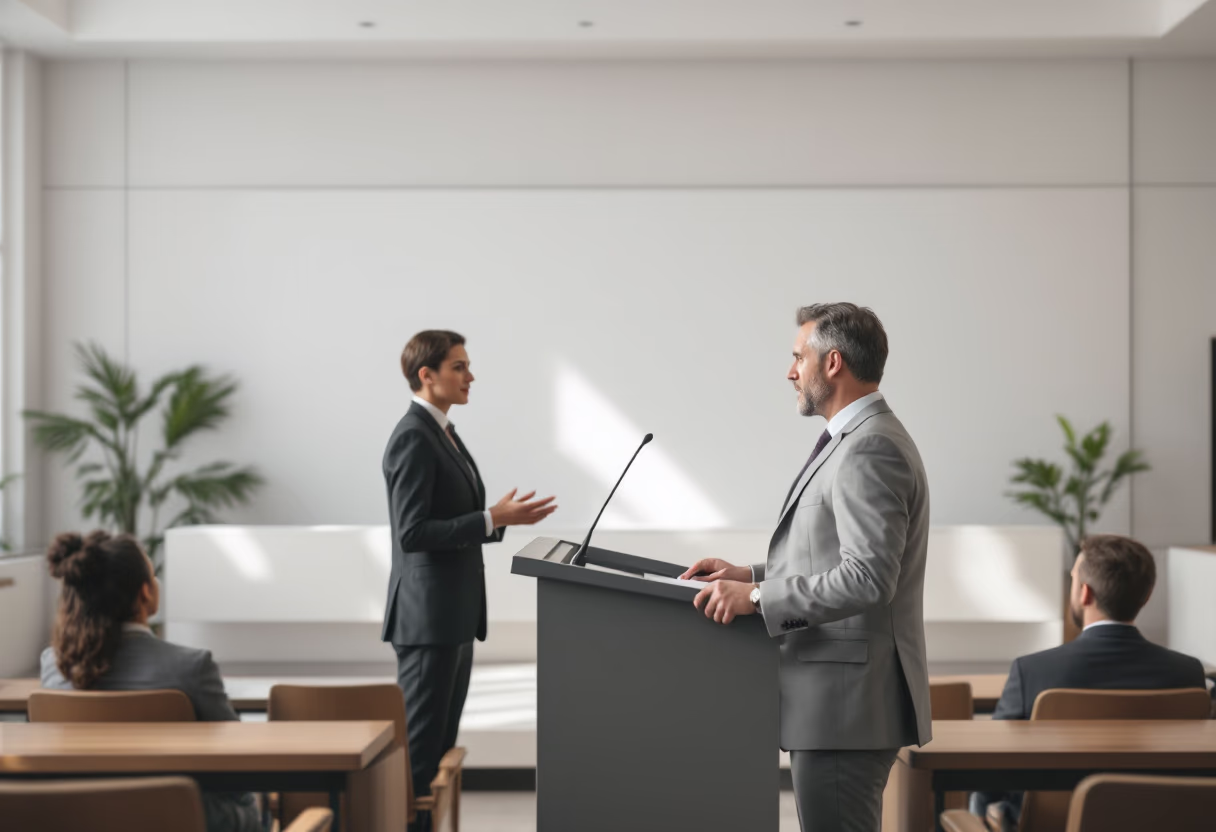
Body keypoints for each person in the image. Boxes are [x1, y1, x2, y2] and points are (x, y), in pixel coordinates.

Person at [681, 303, 931, 832]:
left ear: (833, 363)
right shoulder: (858, 439)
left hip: (845, 709)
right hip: (839, 707)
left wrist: (756, 599)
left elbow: (868, 578)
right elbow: (827, 555)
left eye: (799, 357)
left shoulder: (870, 447)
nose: (790, 372)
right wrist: (750, 576)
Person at [382, 330, 556, 829]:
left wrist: (495, 518)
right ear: (427, 374)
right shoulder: (413, 436)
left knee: (439, 756)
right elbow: (412, 532)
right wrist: (491, 518)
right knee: (420, 762)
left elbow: (446, 517)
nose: (470, 376)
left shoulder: (442, 432)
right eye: (458, 367)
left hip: (451, 617)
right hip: (428, 621)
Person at [974, 533, 1208, 830]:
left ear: (1085, 593)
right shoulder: (1188, 674)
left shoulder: (1032, 671)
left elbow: (990, 774)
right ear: (1147, 596)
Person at [41, 530, 262, 832]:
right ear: (145, 592)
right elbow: (237, 766)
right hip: (179, 818)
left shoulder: (54, 667)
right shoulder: (192, 667)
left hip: (79, 816)